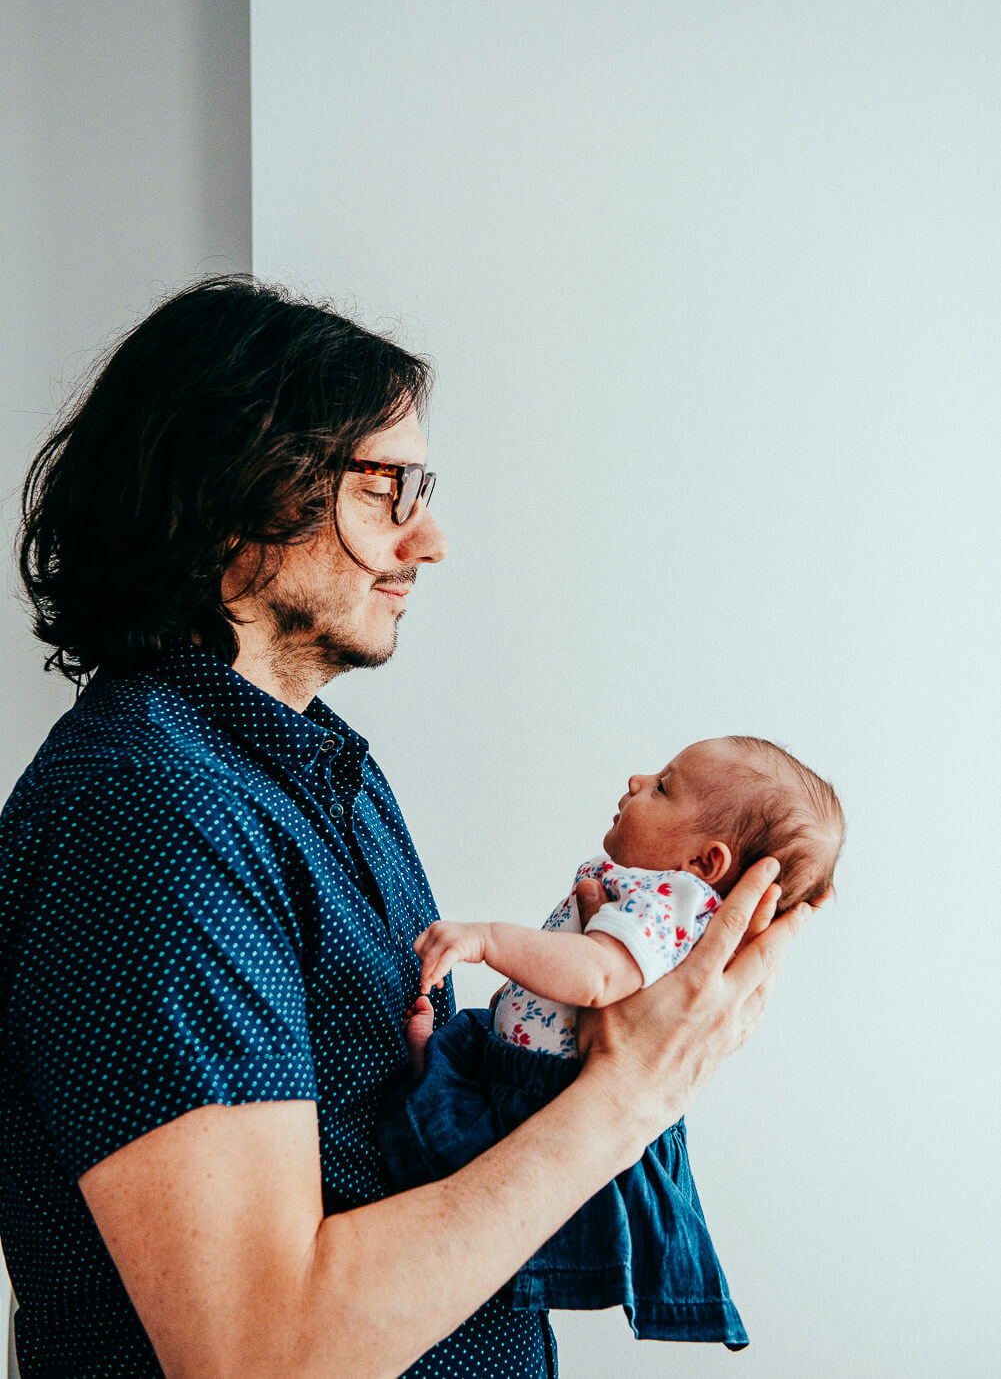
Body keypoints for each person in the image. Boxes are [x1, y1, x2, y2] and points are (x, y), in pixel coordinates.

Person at [0, 273, 814, 1379]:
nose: (427, 540)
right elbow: (254, 1352)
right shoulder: (151, 814)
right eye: (385, 487)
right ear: (235, 487)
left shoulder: (315, 772)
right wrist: (634, 1092)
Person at [377, 737, 843, 1347]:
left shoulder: (672, 903)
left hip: (542, 1092)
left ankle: (424, 1080)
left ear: (706, 863)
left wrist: (489, 939)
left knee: (455, 1157)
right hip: (513, 1061)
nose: (636, 781)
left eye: (664, 787)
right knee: (464, 1066)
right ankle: (429, 1069)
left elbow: (598, 975)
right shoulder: (647, 892)